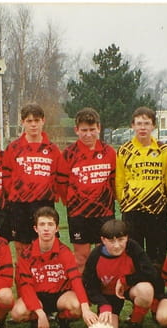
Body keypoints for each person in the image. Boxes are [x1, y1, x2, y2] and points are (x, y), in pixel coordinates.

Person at [11, 206, 95, 328]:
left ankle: (62, 318)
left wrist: (86, 308)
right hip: (37, 296)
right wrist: (39, 312)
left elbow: (76, 280)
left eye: (50, 224)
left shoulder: (64, 252)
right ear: (36, 228)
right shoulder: (26, 255)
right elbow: (26, 287)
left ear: (56, 228)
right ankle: (36, 319)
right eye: (42, 224)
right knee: (17, 313)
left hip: (60, 296)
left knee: (77, 306)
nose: (46, 228)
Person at [58, 107, 116, 274]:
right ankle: (82, 289)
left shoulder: (109, 152)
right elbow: (62, 185)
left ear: (99, 128)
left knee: (103, 255)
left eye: (92, 129)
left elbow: (114, 181)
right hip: (79, 215)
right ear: (76, 130)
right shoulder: (68, 154)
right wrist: (73, 204)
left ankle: (101, 288)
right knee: (81, 257)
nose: (88, 134)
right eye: (84, 130)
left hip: (104, 213)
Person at [2, 103, 64, 257]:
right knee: (21, 247)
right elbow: (6, 175)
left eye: (36, 120)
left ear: (43, 121)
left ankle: (43, 271)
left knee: (45, 244)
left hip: (43, 203)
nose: (33, 124)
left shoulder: (52, 149)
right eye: (29, 121)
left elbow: (58, 177)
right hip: (19, 205)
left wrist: (50, 193)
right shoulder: (13, 148)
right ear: (22, 122)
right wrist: (15, 194)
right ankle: (23, 272)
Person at [82, 219, 161, 328]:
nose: (117, 245)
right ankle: (113, 315)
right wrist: (104, 305)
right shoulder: (96, 256)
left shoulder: (132, 248)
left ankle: (135, 323)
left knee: (146, 290)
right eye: (111, 241)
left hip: (129, 289)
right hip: (108, 297)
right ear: (103, 240)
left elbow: (151, 273)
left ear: (127, 237)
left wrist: (126, 280)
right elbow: (89, 285)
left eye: (121, 240)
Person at [115, 106, 167, 270]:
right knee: (134, 256)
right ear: (132, 125)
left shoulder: (163, 150)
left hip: (157, 211)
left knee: (157, 258)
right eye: (139, 123)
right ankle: (136, 286)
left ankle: (157, 286)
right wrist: (126, 202)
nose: (142, 127)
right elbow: (119, 181)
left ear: (153, 126)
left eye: (147, 123)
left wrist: (159, 201)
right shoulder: (124, 151)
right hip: (132, 212)